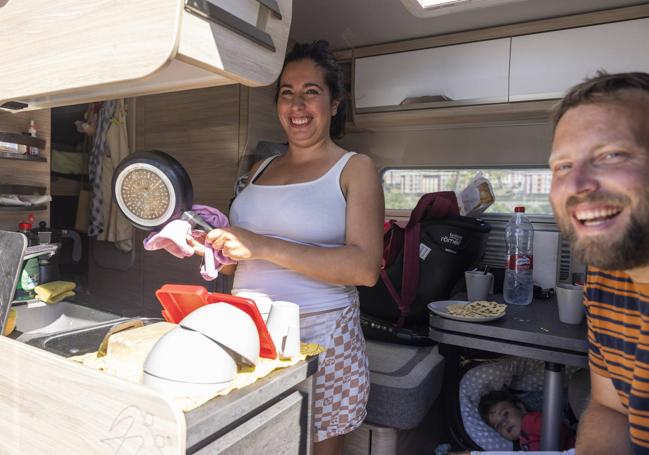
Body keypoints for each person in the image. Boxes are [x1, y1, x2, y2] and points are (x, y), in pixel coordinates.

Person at [189, 40, 384, 455]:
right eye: (287, 93)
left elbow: (365, 267)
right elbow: (237, 264)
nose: (297, 105)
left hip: (322, 337)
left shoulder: (354, 168)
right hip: (248, 329)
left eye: (311, 92)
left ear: (334, 104)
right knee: (255, 443)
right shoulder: (259, 168)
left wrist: (259, 245)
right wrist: (213, 246)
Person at [548, 71, 649, 454]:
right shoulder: (606, 277)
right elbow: (611, 408)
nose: (576, 186)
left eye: (610, 155)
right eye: (562, 166)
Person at [478, 390, 575, 451]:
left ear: (520, 408)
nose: (504, 424)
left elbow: (556, 429)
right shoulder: (521, 442)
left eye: (505, 414)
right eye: (498, 426)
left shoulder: (530, 421)